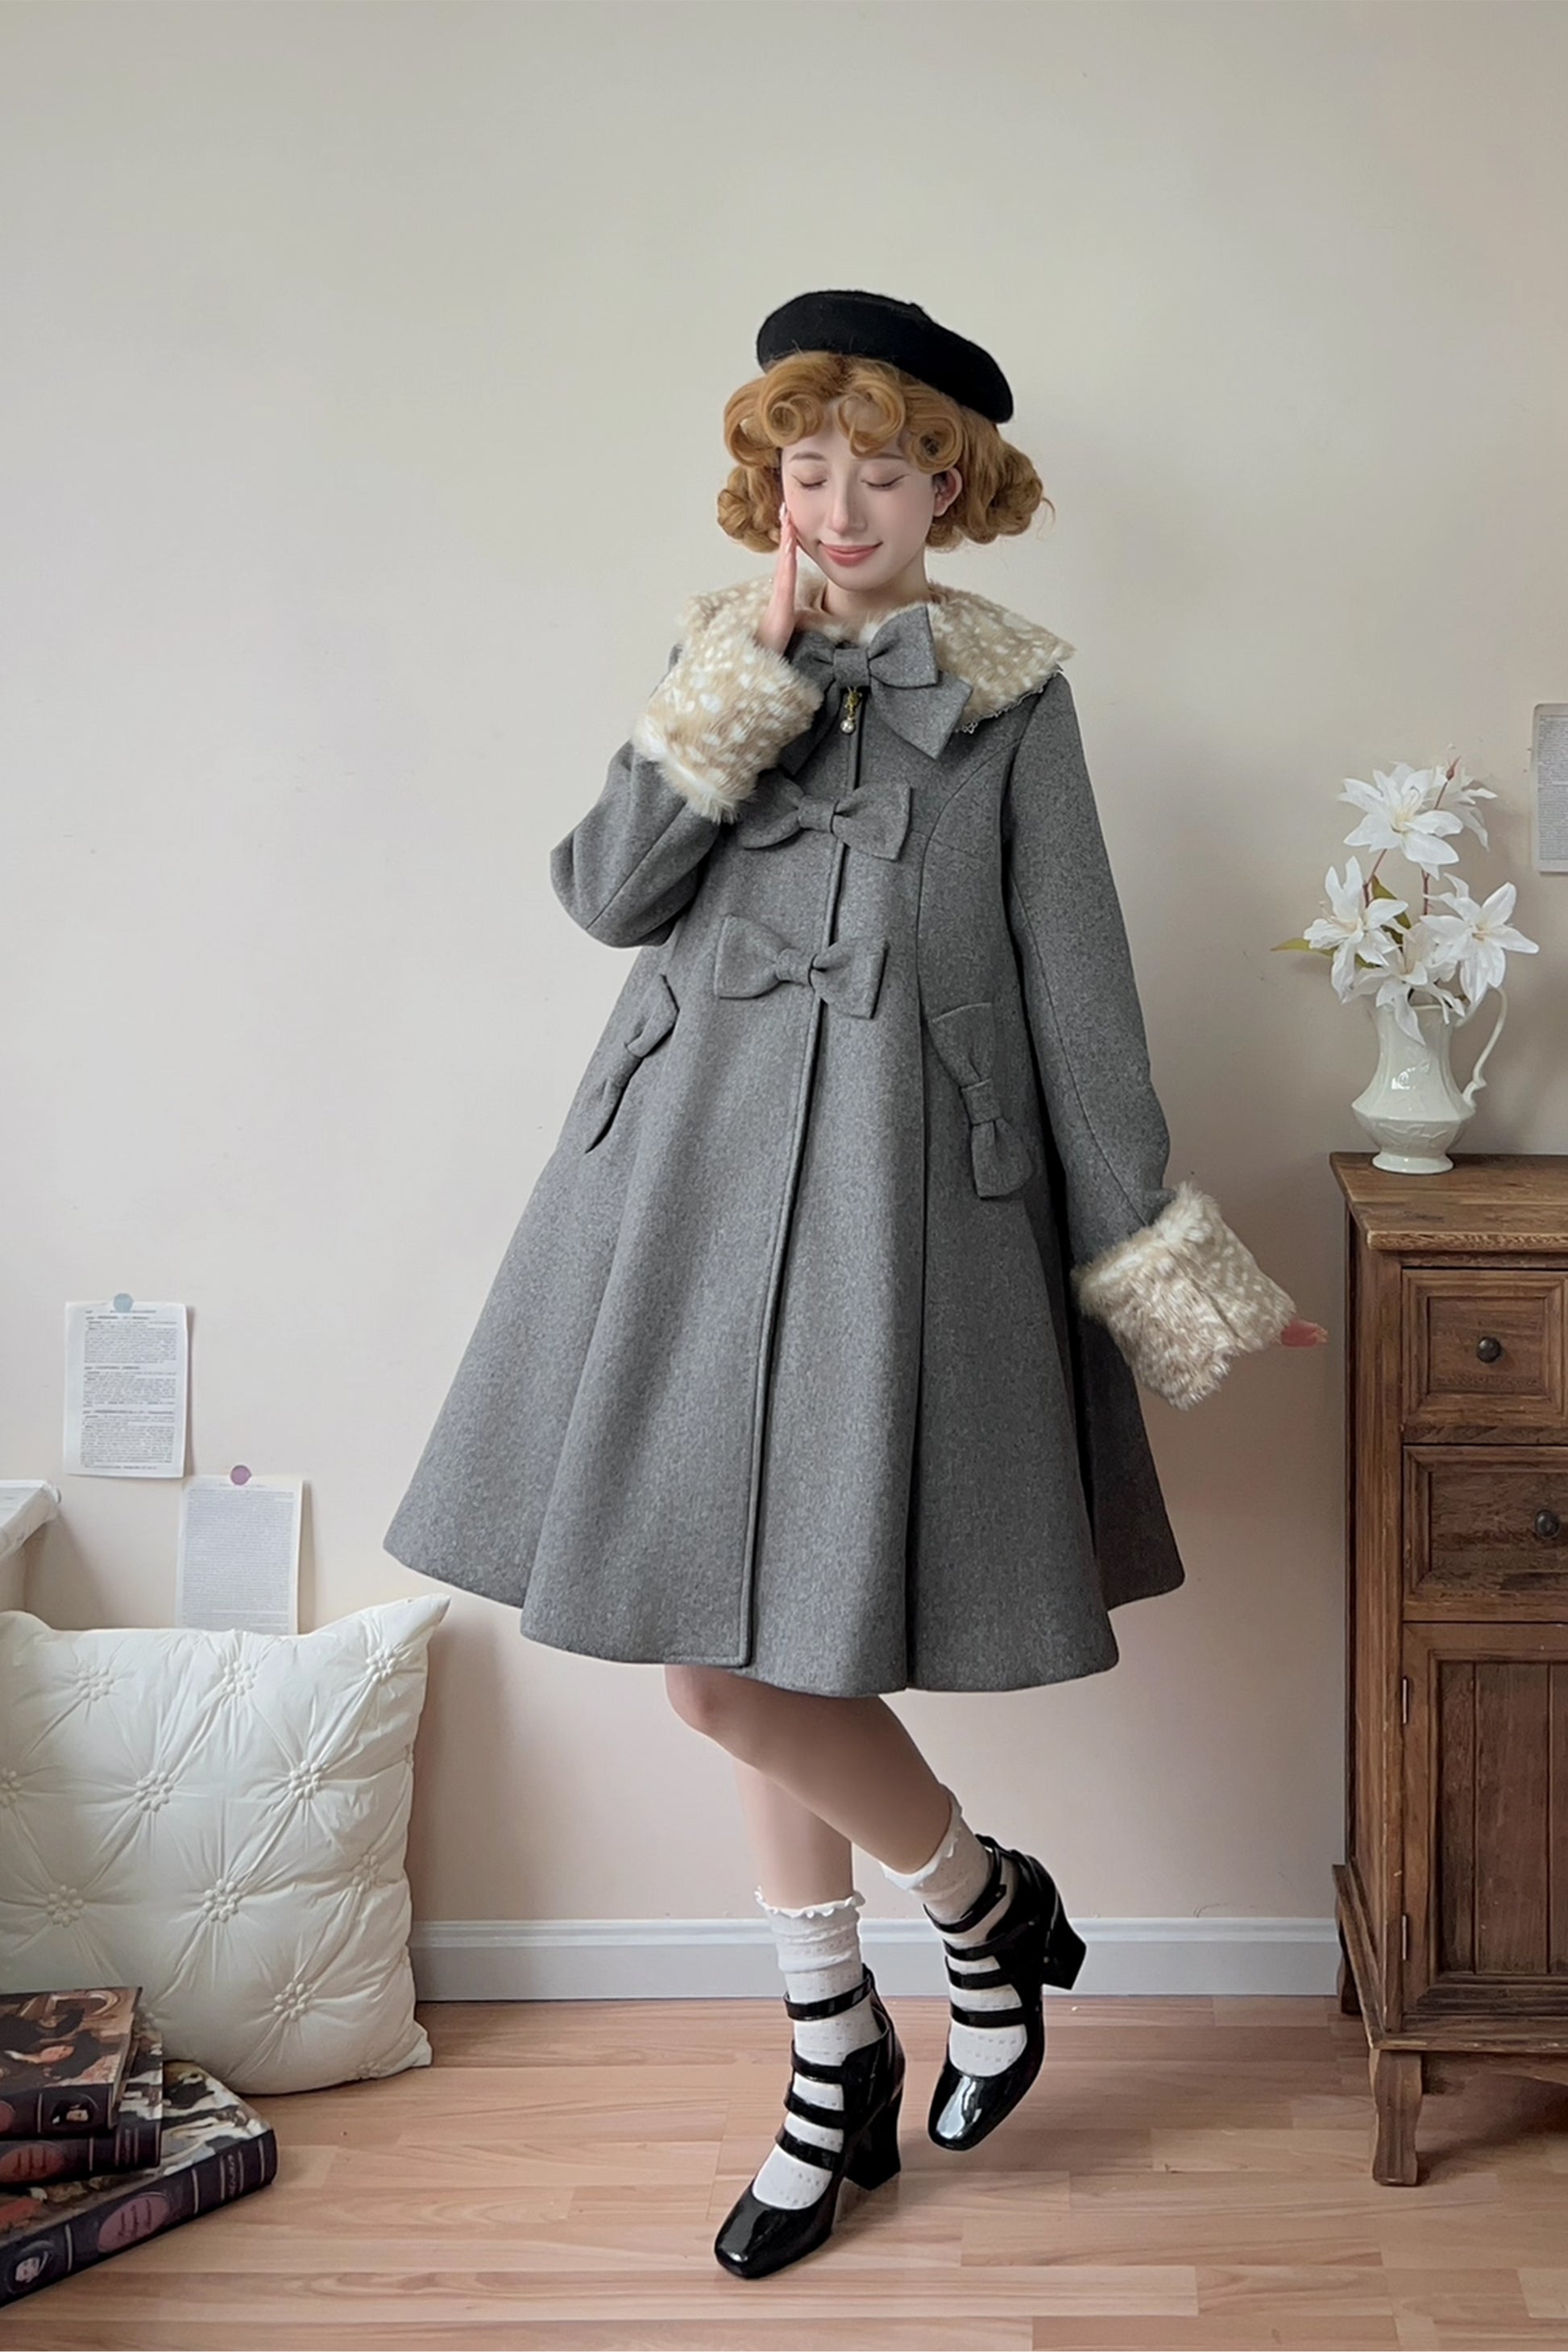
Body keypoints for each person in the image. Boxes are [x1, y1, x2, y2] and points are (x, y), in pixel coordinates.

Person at [383, 288, 1329, 2281]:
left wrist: (1165, 1251)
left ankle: (904, 1995)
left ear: (949, 490)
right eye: (805, 470)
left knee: (758, 1665)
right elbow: (606, 894)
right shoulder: (719, 656)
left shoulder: (1014, 702)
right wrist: (736, 689)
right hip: (679, 1196)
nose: (835, 506)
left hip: (903, 1221)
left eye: (879, 473)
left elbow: (1079, 991)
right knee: (728, 1659)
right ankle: (904, 1986)